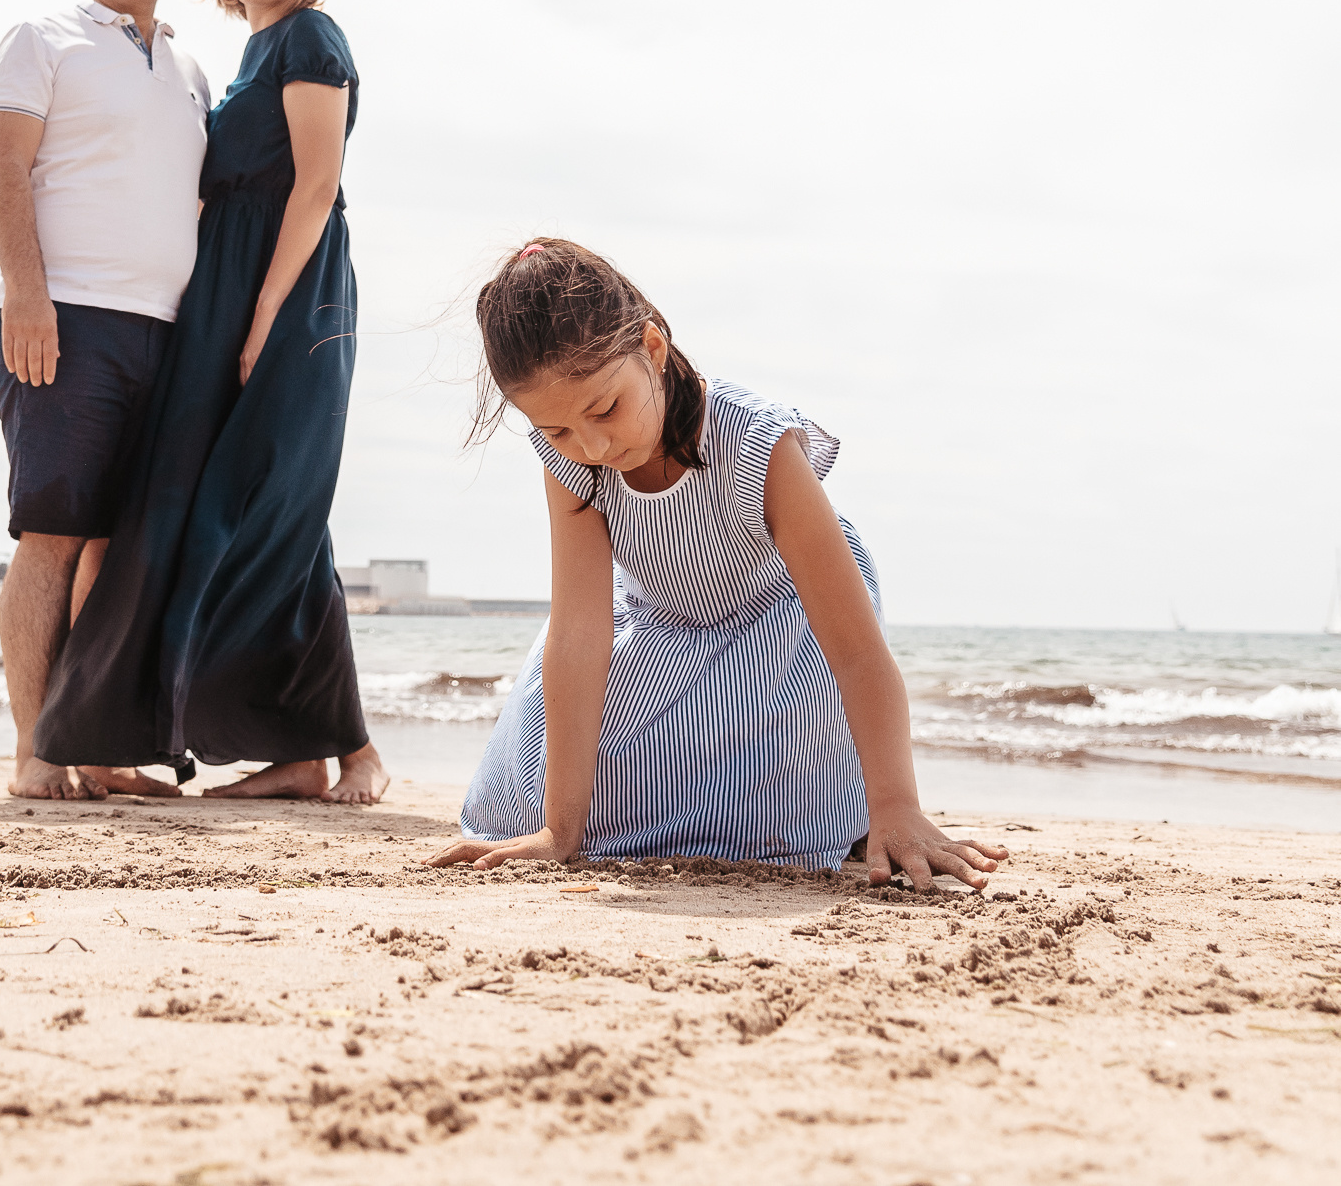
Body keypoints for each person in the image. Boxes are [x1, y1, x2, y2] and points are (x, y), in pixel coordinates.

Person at [424, 238, 1008, 888]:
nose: (590, 444)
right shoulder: (575, 461)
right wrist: (560, 832)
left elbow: (855, 649)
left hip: (786, 624)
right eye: (558, 430)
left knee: (792, 795)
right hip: (661, 625)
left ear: (652, 348)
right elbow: (580, 633)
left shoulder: (756, 444)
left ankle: (853, 814)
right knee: (590, 794)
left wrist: (898, 803)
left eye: (605, 408)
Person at [35, 0, 389, 804]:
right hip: (226, 296)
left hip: (289, 295)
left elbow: (316, 188)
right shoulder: (248, 52)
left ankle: (342, 752)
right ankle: (299, 751)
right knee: (226, 507)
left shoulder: (312, 36)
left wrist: (266, 311)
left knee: (275, 509)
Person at [0, 0, 215, 801]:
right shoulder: (42, 41)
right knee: (52, 535)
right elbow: (3, 165)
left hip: (166, 338)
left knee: (120, 550)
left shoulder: (194, 71)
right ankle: (37, 749)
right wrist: (26, 295)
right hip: (64, 321)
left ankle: (103, 746)